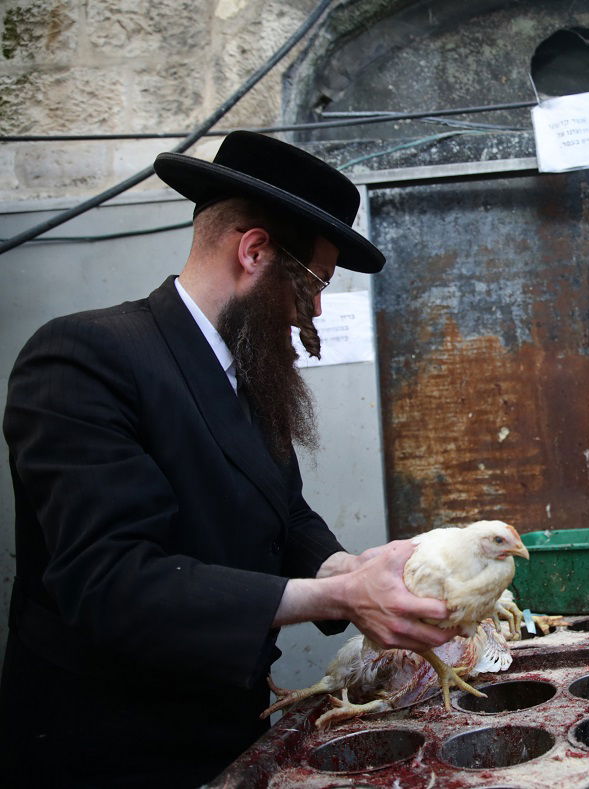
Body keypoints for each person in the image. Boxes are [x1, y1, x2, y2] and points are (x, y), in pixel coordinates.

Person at [0, 131, 459, 787]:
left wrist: (350, 569)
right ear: (254, 252)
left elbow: (286, 514)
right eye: (313, 285)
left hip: (226, 726)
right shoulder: (84, 357)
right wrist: (337, 595)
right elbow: (111, 578)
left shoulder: (246, 375)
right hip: (107, 745)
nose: (314, 311)